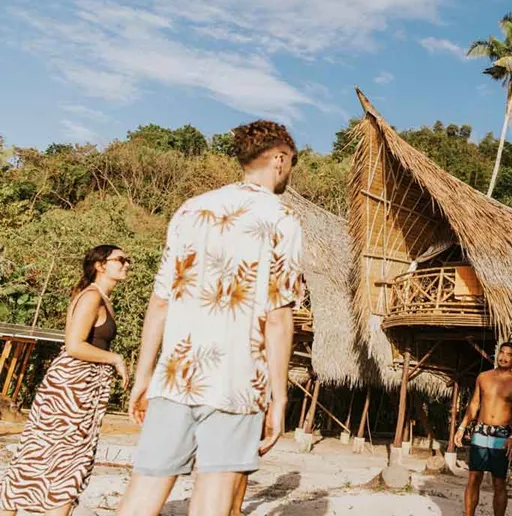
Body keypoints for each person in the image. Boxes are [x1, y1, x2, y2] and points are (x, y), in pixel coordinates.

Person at [116, 120, 304, 516]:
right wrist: (279, 398)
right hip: (237, 384)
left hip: (175, 377)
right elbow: (278, 317)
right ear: (280, 159)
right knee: (213, 506)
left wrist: (143, 377)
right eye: (292, 163)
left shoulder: (190, 209)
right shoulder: (281, 219)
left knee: (140, 498)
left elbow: (161, 301)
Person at [0, 245, 131, 515]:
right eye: (120, 260)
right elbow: (73, 345)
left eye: (126, 260)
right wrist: (116, 359)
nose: (126, 264)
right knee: (51, 456)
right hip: (71, 388)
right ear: (100, 266)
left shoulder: (102, 298)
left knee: (66, 459)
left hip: (85, 388)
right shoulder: (91, 297)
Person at [453, 342, 512, 516]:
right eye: (501, 352)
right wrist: (462, 426)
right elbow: (475, 404)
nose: (504, 357)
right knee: (474, 478)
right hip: (480, 431)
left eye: (509, 354)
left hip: (502, 435)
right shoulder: (483, 377)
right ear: (497, 354)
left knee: (499, 481)